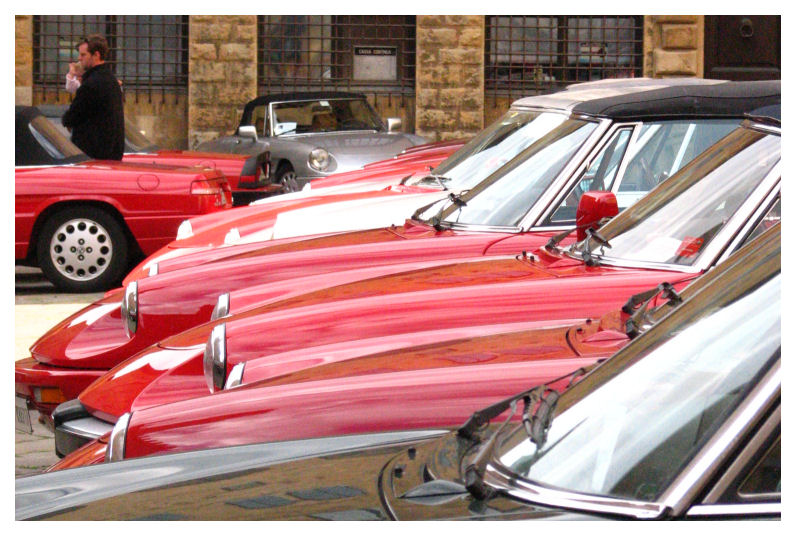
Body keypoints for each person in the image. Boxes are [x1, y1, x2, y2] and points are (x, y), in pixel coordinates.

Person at [62, 34, 124, 160]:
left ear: (96, 55)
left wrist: (66, 120)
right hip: (110, 156)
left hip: (92, 157)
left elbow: (71, 117)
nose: (79, 59)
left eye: (83, 55)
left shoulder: (92, 84)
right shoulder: (111, 80)